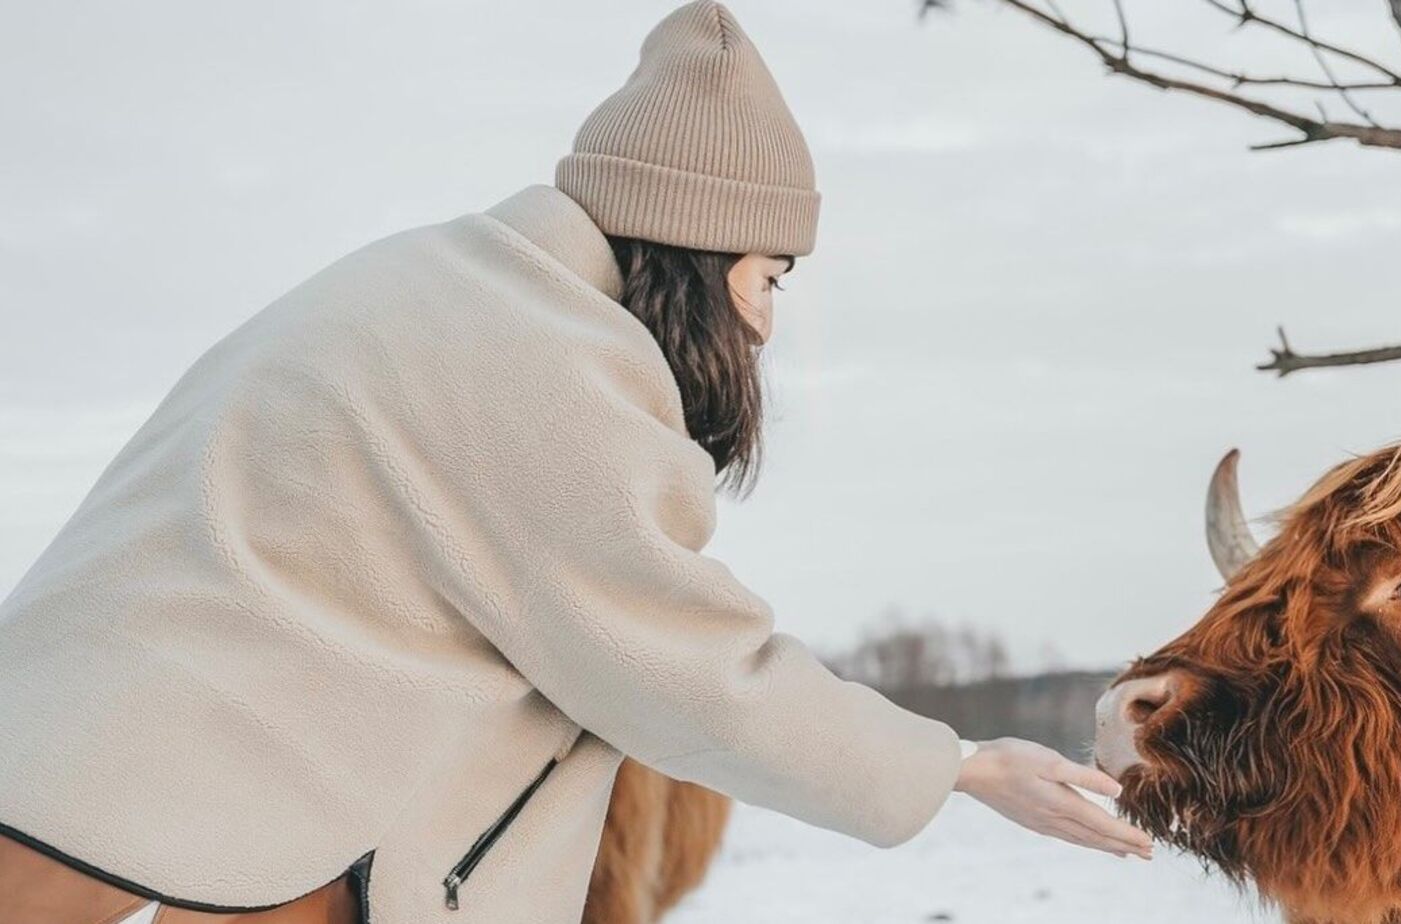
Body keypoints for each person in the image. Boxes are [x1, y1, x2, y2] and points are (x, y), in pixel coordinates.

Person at [0, 3, 1152, 922]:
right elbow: (688, 668)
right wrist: (957, 766)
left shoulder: (425, 283)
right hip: (176, 816)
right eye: (770, 275)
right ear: (699, 251)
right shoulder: (545, 361)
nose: (765, 325)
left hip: (96, 765)